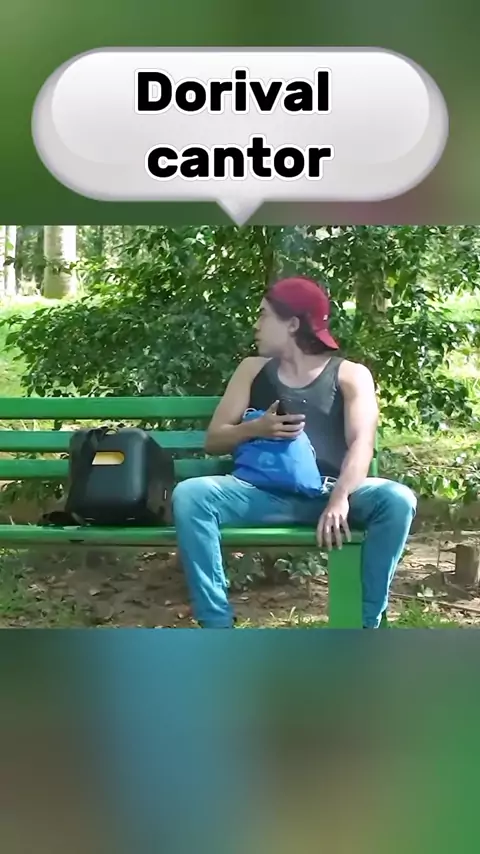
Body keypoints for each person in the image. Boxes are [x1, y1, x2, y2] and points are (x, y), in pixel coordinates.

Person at [173, 276, 417, 628]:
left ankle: (364, 626)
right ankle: (217, 627)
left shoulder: (351, 375)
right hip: (259, 495)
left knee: (397, 499)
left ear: (291, 324)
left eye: (263, 315)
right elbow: (214, 440)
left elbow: (362, 443)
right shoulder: (252, 370)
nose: (256, 325)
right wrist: (255, 429)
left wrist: (340, 498)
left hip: (327, 496)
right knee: (191, 495)